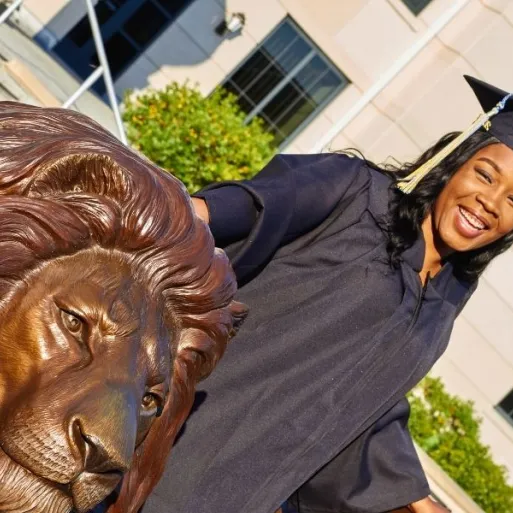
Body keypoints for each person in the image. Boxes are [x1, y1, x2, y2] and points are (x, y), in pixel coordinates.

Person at [142, 75, 513, 513]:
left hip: (238, 494)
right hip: (164, 440)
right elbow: (261, 205)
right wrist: (178, 209)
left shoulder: (446, 299)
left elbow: (364, 402)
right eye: (486, 175)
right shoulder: (358, 195)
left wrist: (418, 500)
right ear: (454, 162)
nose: (491, 201)